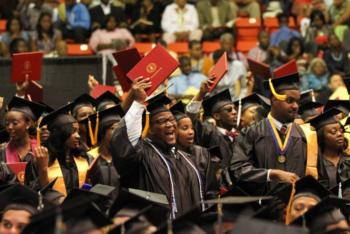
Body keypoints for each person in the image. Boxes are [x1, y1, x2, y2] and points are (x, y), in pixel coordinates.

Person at [110, 78, 205, 218]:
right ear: (149, 128)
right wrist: (137, 103)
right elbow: (123, 143)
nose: (169, 125)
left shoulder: (185, 158)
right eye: (161, 121)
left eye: (172, 119)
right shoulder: (142, 155)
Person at [230, 73, 315, 195]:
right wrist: (270, 174)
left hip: (296, 204)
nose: (295, 106)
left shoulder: (306, 134)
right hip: (262, 206)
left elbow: (318, 176)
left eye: (297, 101)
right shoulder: (251, 133)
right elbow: (238, 169)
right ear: (274, 99)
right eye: (289, 100)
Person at [27, 102, 94, 196]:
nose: (78, 136)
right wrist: (43, 170)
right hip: (52, 209)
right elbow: (32, 194)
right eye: (73, 131)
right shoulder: (40, 160)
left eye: (78, 131)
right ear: (60, 134)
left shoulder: (86, 158)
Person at [186, 86, 238, 188]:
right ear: (217, 116)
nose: (235, 112)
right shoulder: (209, 132)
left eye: (235, 109)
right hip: (217, 188)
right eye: (229, 109)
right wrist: (201, 94)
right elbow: (191, 120)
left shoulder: (239, 136)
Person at [171, 102, 220, 196]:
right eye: (185, 128)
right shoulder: (169, 155)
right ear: (173, 131)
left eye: (192, 128)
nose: (191, 132)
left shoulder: (202, 153)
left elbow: (211, 188)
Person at [0, 97, 48, 186]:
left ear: (28, 124)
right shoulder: (2, 151)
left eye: (14, 123)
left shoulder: (41, 150)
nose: (9, 127)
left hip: (35, 197)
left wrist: (43, 169)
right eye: (7, 124)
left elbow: (46, 186)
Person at [310, 108, 350, 189]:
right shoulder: (315, 165)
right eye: (333, 132)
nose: (340, 134)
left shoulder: (348, 159)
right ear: (322, 137)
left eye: (341, 130)